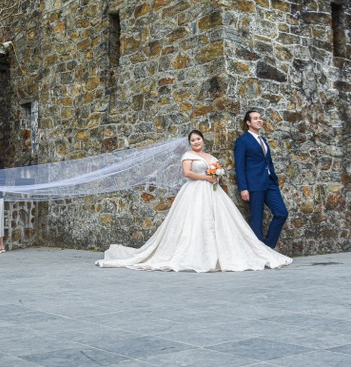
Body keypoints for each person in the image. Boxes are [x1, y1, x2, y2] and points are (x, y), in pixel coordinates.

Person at [96, 130, 291, 272]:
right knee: (193, 221)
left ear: (203, 141)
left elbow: (216, 169)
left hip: (212, 192)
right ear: (190, 143)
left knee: (217, 222)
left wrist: (216, 176)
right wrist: (207, 177)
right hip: (194, 191)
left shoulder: (210, 156)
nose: (196, 142)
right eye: (192, 140)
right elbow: (187, 172)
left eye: (198, 139)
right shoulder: (188, 155)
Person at [234, 110, 289, 249]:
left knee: (282, 213)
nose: (259, 120)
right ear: (248, 122)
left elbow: (268, 161)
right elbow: (239, 166)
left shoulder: (263, 140)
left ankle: (267, 246)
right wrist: (243, 188)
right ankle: (258, 252)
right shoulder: (243, 141)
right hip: (254, 184)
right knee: (256, 219)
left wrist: (274, 178)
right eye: (255, 118)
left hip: (270, 182)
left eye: (260, 118)